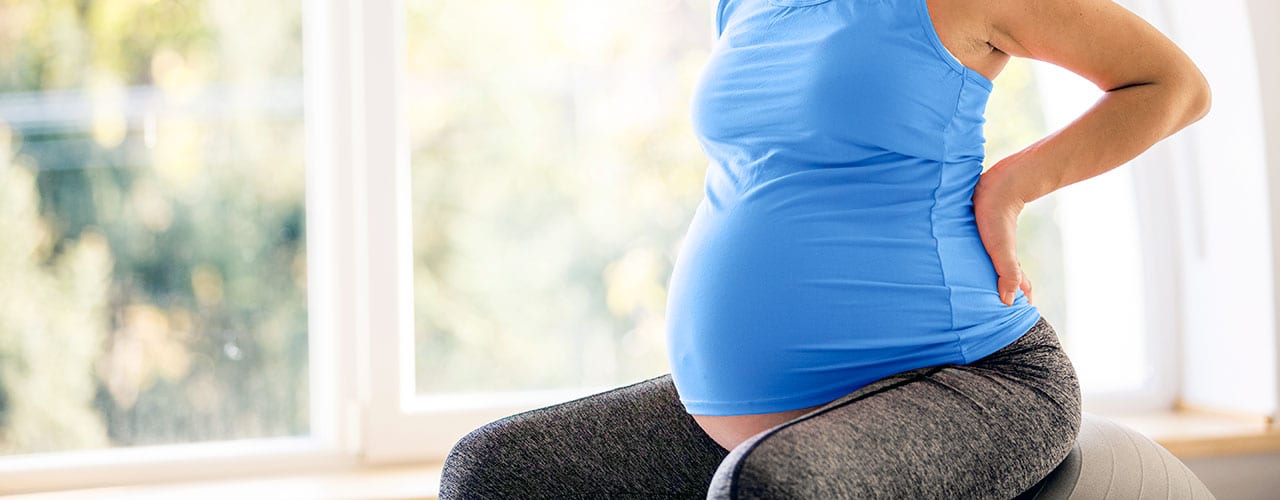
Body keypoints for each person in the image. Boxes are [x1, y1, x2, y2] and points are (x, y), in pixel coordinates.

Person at [440, 0, 1211, 498]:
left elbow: (1171, 83)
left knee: (772, 489)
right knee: (497, 472)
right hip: (753, 413)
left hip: (972, 375)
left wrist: (1012, 183)